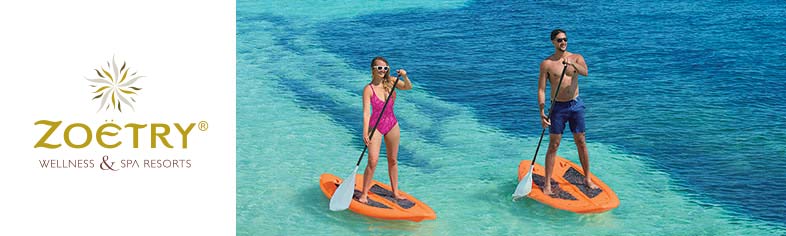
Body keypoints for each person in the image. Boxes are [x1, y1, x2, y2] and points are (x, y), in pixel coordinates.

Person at [537, 29, 598, 195]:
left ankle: (587, 178)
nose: (563, 42)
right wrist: (542, 112)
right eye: (559, 40)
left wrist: (572, 64)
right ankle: (548, 183)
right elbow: (541, 89)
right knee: (554, 144)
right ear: (552, 42)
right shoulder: (547, 64)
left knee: (581, 141)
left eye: (565, 39)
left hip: (576, 105)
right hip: (557, 107)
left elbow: (585, 72)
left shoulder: (576, 57)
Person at [358, 56, 413, 203]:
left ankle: (395, 192)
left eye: (385, 68)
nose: (383, 71)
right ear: (373, 70)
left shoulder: (391, 82)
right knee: (373, 161)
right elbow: (366, 113)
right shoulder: (368, 89)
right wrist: (365, 132)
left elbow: (408, 87)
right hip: (375, 127)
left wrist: (405, 76)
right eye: (379, 68)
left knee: (393, 160)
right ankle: (364, 194)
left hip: (392, 125)